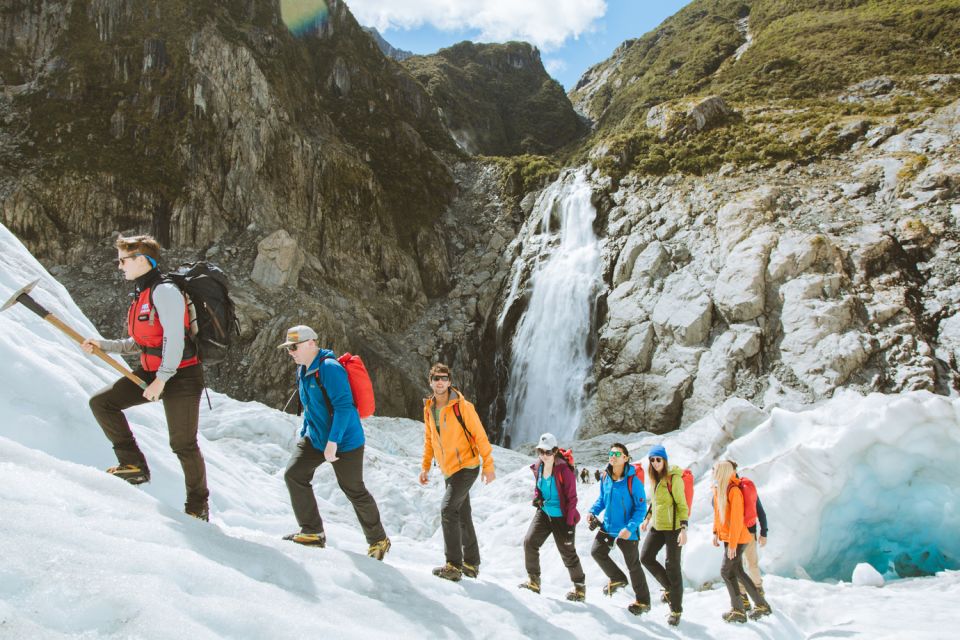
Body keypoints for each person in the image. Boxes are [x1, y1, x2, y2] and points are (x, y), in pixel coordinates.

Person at [83, 235, 209, 520]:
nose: (119, 266)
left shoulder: (164, 291)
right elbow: (141, 341)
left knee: (183, 444)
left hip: (182, 376)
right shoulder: (142, 293)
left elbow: (175, 339)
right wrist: (105, 345)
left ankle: (197, 506)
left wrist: (162, 380)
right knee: (102, 403)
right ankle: (133, 465)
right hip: (154, 371)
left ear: (142, 259)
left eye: (123, 260)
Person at [279, 325, 390, 560]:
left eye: (294, 347)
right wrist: (307, 431)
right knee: (294, 474)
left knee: (353, 489)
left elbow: (344, 407)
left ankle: (378, 540)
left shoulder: (329, 369)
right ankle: (312, 532)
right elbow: (310, 405)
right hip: (316, 438)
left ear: (311, 343)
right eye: (288, 348)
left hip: (345, 441)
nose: (291, 352)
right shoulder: (303, 369)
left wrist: (333, 442)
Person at [419, 363, 496, 581]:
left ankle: (453, 565)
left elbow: (480, 435)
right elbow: (429, 440)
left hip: (467, 466)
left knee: (447, 510)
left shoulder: (463, 407)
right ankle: (471, 563)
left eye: (444, 378)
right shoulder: (429, 409)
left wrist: (488, 465)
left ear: (450, 381)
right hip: (449, 469)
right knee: (462, 514)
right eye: (436, 378)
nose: (440, 382)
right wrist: (425, 466)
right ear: (431, 381)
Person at [518, 433, 586, 601]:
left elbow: (572, 498)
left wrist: (570, 523)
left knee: (568, 553)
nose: (544, 455)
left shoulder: (564, 469)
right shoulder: (538, 466)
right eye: (540, 451)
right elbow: (538, 486)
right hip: (544, 512)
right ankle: (534, 581)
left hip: (562, 517)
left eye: (548, 452)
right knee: (529, 542)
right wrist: (537, 497)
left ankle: (580, 588)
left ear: (555, 451)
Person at [588, 443, 651, 616]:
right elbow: (602, 498)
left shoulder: (633, 482)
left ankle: (643, 601)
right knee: (596, 552)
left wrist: (630, 528)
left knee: (633, 565)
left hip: (626, 531)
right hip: (608, 527)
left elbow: (640, 509)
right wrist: (592, 511)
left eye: (617, 453)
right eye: (611, 453)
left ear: (625, 458)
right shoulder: (605, 477)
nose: (613, 456)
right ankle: (617, 578)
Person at [712, 460, 772, 623]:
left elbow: (737, 520)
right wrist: (715, 533)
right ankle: (759, 605)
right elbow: (719, 515)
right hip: (730, 537)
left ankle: (740, 609)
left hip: (739, 538)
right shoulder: (720, 489)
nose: (712, 472)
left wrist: (732, 544)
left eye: (715, 469)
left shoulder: (734, 492)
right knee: (737, 571)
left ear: (723, 472)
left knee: (726, 571)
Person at [640, 445, 688, 627]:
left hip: (674, 527)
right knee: (645, 557)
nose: (655, 463)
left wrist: (684, 529)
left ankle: (676, 610)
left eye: (658, 459)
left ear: (664, 460)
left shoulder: (674, 479)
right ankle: (669, 588)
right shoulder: (654, 478)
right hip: (658, 526)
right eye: (652, 460)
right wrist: (647, 518)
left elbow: (682, 504)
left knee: (672, 566)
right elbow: (654, 501)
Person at [731, 461, 769, 610]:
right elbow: (760, 511)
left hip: (738, 533)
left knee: (738, 565)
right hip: (749, 531)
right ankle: (758, 591)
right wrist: (763, 532)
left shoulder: (733, 488)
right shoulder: (747, 487)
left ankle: (744, 596)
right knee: (751, 563)